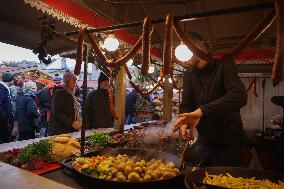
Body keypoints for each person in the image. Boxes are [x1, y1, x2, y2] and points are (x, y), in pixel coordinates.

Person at [173, 32, 247, 167]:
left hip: (229, 144)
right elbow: (187, 103)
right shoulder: (189, 74)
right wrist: (185, 121)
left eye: (187, 51)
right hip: (204, 142)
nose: (184, 60)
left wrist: (201, 111)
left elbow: (239, 95)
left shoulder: (224, 64)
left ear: (199, 47)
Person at [0, 73, 14, 143]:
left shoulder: (3, 87)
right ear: (10, 80)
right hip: (2, 121)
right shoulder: (2, 88)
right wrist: (4, 117)